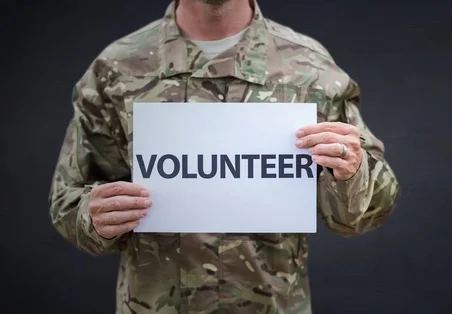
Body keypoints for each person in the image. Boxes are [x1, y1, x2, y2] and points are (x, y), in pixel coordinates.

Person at [48, 0, 400, 313]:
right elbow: (68, 199)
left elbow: (365, 214)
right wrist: (92, 217)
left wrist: (352, 173)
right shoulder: (116, 70)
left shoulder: (312, 71)